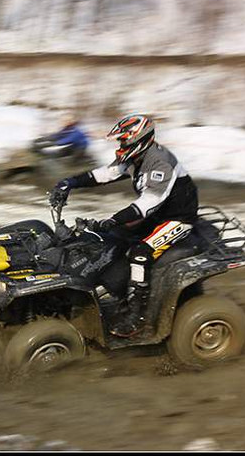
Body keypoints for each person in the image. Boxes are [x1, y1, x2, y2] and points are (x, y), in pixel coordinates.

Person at [50, 112, 199, 338]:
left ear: (137, 139)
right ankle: (117, 294)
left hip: (177, 218)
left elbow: (147, 204)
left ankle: (137, 318)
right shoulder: (135, 157)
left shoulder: (160, 163)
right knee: (110, 241)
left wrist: (113, 219)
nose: (120, 145)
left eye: (122, 140)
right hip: (156, 214)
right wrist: (69, 183)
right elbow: (105, 174)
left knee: (140, 253)